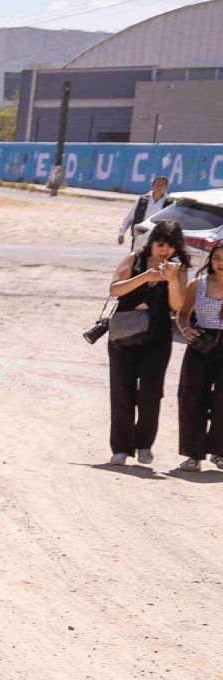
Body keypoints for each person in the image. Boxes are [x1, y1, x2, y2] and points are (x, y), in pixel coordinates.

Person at [108, 220, 188, 465]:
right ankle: (121, 448)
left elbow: (177, 306)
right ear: (152, 242)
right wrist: (145, 277)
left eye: (171, 246)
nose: (164, 250)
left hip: (158, 338)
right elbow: (115, 290)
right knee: (122, 391)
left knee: (151, 394)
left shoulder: (179, 269)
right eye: (161, 244)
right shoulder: (134, 259)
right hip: (125, 336)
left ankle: (144, 445)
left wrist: (172, 280)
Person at [177, 237, 223, 471]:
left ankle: (219, 452)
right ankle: (193, 455)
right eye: (216, 258)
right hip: (201, 344)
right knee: (191, 399)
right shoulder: (198, 284)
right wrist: (186, 330)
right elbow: (183, 313)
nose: (220, 263)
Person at [120, 174, 172, 249]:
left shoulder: (169, 203)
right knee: (136, 257)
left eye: (162, 185)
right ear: (153, 185)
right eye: (157, 184)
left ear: (166, 187)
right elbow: (130, 217)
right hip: (140, 235)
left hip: (158, 238)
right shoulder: (142, 200)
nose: (159, 187)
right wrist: (122, 233)